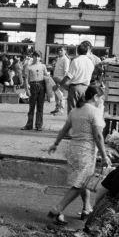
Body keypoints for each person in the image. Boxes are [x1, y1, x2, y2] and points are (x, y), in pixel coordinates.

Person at [47, 85, 111, 224]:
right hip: (85, 152)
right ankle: (57, 209)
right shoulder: (94, 112)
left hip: (73, 151)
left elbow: (64, 130)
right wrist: (104, 156)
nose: (101, 101)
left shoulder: (75, 111)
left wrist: (55, 144)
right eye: (100, 98)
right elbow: (98, 136)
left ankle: (86, 208)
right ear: (95, 97)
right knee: (80, 183)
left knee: (83, 180)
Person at [22, 50, 48, 131]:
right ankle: (29, 125)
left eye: (38, 56)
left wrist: (48, 91)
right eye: (35, 56)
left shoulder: (43, 66)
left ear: (40, 57)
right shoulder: (29, 67)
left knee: (40, 107)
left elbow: (47, 78)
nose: (36, 58)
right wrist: (27, 89)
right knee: (31, 107)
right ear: (32, 57)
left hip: (41, 86)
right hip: (33, 86)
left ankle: (39, 125)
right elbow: (26, 79)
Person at [50, 49, 70, 115]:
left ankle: (61, 110)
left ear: (65, 51)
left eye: (61, 50)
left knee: (61, 95)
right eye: (59, 50)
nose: (59, 51)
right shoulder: (59, 59)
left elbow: (66, 72)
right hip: (56, 78)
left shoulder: (66, 59)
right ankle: (57, 108)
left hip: (61, 79)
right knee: (57, 94)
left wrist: (62, 82)